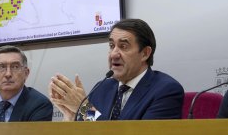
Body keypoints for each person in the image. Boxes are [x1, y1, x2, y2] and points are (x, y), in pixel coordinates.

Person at [49, 18, 184, 121]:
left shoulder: (166, 90)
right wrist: (72, 117)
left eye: (123, 46)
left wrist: (83, 108)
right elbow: (93, 127)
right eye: (112, 45)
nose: (114, 54)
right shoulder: (102, 87)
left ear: (145, 53)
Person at [0, 45, 53, 122]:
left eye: (15, 67)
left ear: (26, 73)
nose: (8, 74)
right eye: (1, 67)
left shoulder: (39, 105)